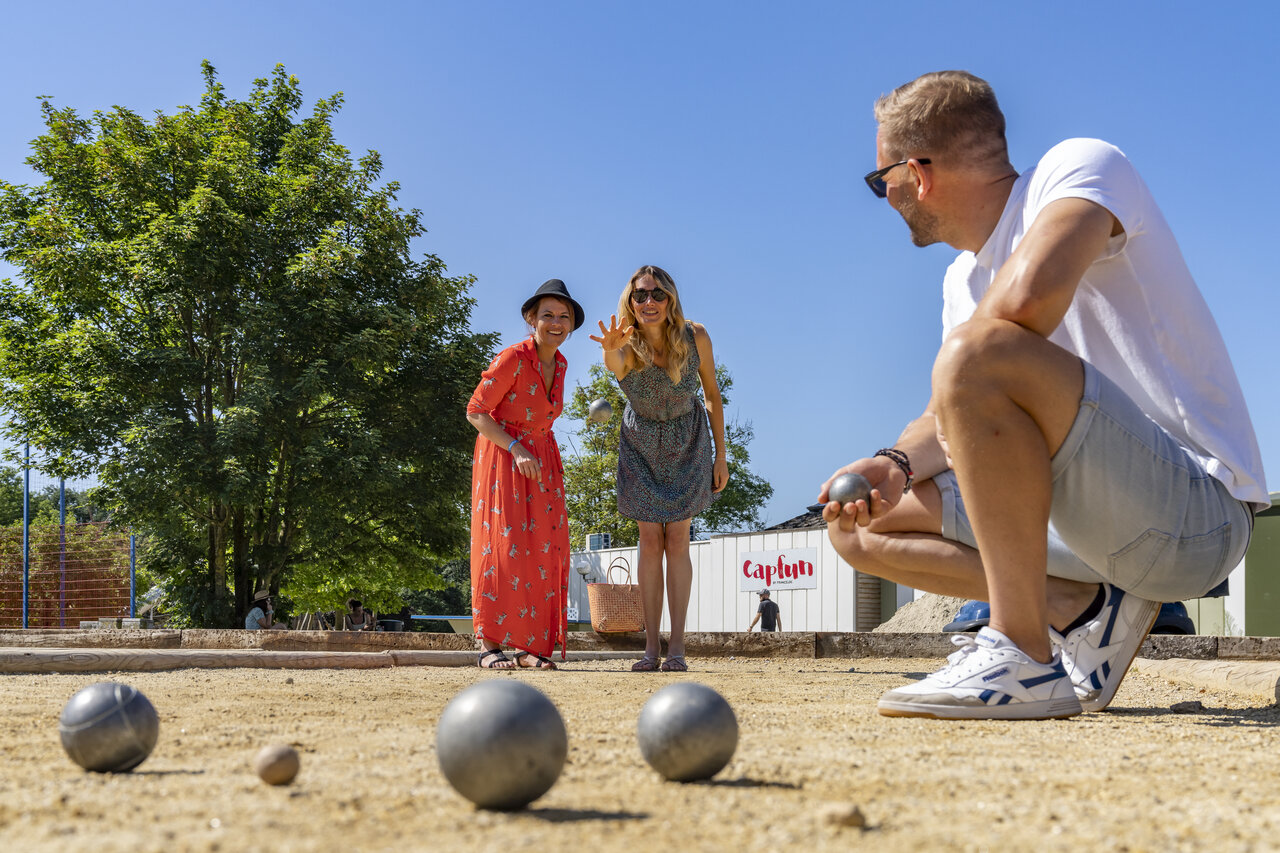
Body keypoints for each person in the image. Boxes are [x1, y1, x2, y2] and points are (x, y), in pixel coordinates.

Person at [823, 70, 1267, 720]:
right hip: (1088, 528)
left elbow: (1023, 308)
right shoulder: (960, 283)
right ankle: (1077, 610)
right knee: (859, 528)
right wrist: (893, 464)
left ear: (917, 174)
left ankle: (1020, 652)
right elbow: (949, 419)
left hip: (1195, 519)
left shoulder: (1079, 168)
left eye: (879, 178)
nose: (883, 194)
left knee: (974, 354)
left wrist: (966, 367)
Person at [590, 265, 729, 672]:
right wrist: (610, 347)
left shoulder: (695, 336)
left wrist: (721, 455)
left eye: (657, 294)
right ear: (630, 302)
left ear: (670, 298)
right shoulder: (624, 343)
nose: (648, 302)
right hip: (642, 443)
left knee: (679, 540)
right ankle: (651, 648)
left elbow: (713, 397)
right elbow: (614, 365)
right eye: (640, 296)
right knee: (650, 541)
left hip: (688, 439)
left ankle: (678, 649)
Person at [465, 278, 582, 670]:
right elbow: (476, 411)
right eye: (548, 314)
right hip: (504, 457)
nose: (556, 322)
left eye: (564, 317)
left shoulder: (561, 364)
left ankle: (529, 646)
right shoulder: (513, 358)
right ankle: (489, 643)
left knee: (544, 550)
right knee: (502, 544)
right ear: (531, 318)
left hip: (543, 459)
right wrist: (515, 448)